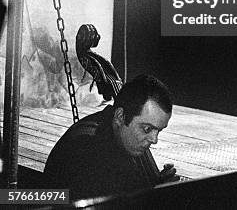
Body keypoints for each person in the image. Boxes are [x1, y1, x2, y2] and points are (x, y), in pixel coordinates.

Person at [44, 74, 177, 201]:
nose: (154, 140)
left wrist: (159, 186)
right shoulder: (88, 149)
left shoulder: (125, 137)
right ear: (120, 116)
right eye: (147, 129)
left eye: (158, 130)